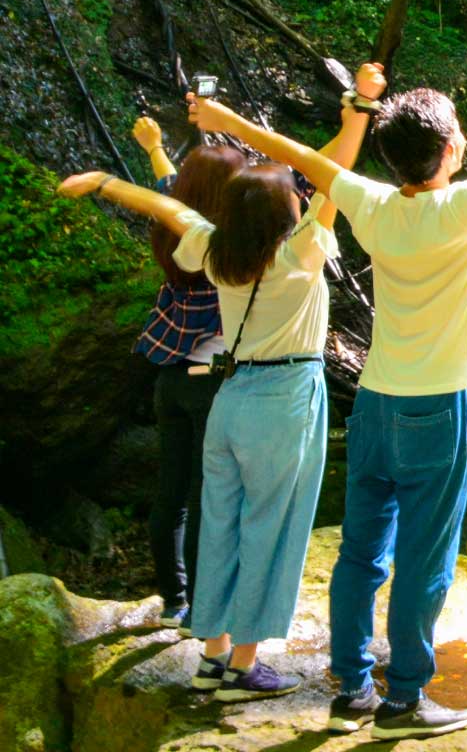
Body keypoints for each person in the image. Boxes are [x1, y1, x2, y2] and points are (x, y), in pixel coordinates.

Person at [190, 68, 467, 740]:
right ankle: (403, 704)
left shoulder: (371, 205)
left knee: (362, 553)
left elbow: (294, 153)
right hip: (438, 408)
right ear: (452, 151)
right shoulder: (466, 207)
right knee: (424, 561)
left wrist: (225, 116)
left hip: (373, 404)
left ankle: (351, 687)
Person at [58, 63, 387, 703]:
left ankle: (209, 656)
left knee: (223, 526)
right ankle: (243, 667)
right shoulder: (300, 253)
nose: (302, 198)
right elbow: (332, 177)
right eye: (295, 199)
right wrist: (358, 114)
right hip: (286, 403)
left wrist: (103, 183)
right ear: (286, 216)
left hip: (231, 401)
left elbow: (166, 204)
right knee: (272, 529)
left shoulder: (216, 248)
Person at [129, 118, 244, 632]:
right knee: (206, 498)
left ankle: (174, 600)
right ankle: (201, 608)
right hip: (210, 378)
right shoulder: (226, 244)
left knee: (168, 495)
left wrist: (154, 147)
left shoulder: (170, 225)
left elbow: (165, 190)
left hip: (169, 376)